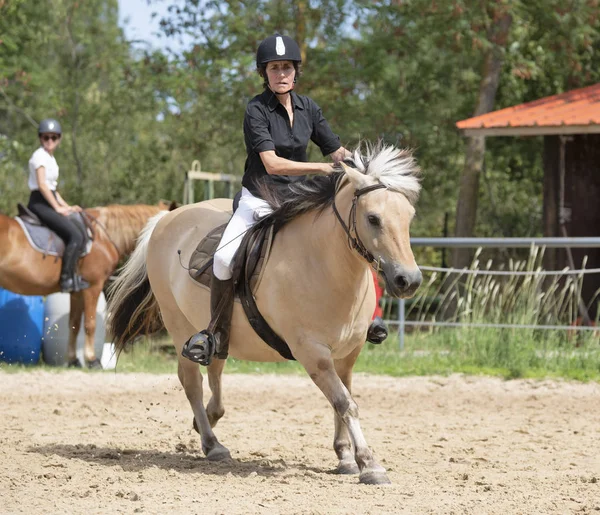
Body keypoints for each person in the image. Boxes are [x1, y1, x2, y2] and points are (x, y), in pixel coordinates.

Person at [182, 34, 386, 365]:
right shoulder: (256, 109)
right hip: (260, 198)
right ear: (265, 73)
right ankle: (214, 335)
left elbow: (336, 150)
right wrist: (322, 167)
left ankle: (368, 317)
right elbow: (272, 163)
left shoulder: (309, 108)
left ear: (295, 72)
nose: (281, 74)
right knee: (223, 258)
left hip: (299, 200)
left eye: (287, 67)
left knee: (354, 232)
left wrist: (365, 166)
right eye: (274, 68)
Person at [27, 118, 89, 293]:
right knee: (75, 236)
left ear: (59, 139)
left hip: (49, 200)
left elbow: (53, 189)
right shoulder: (39, 156)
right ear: (41, 138)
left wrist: (67, 206)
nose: (49, 141)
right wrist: (57, 208)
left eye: (53, 137)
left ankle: (73, 275)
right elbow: (42, 185)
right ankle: (65, 280)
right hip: (39, 203)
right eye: (46, 137)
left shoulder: (51, 158)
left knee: (78, 231)